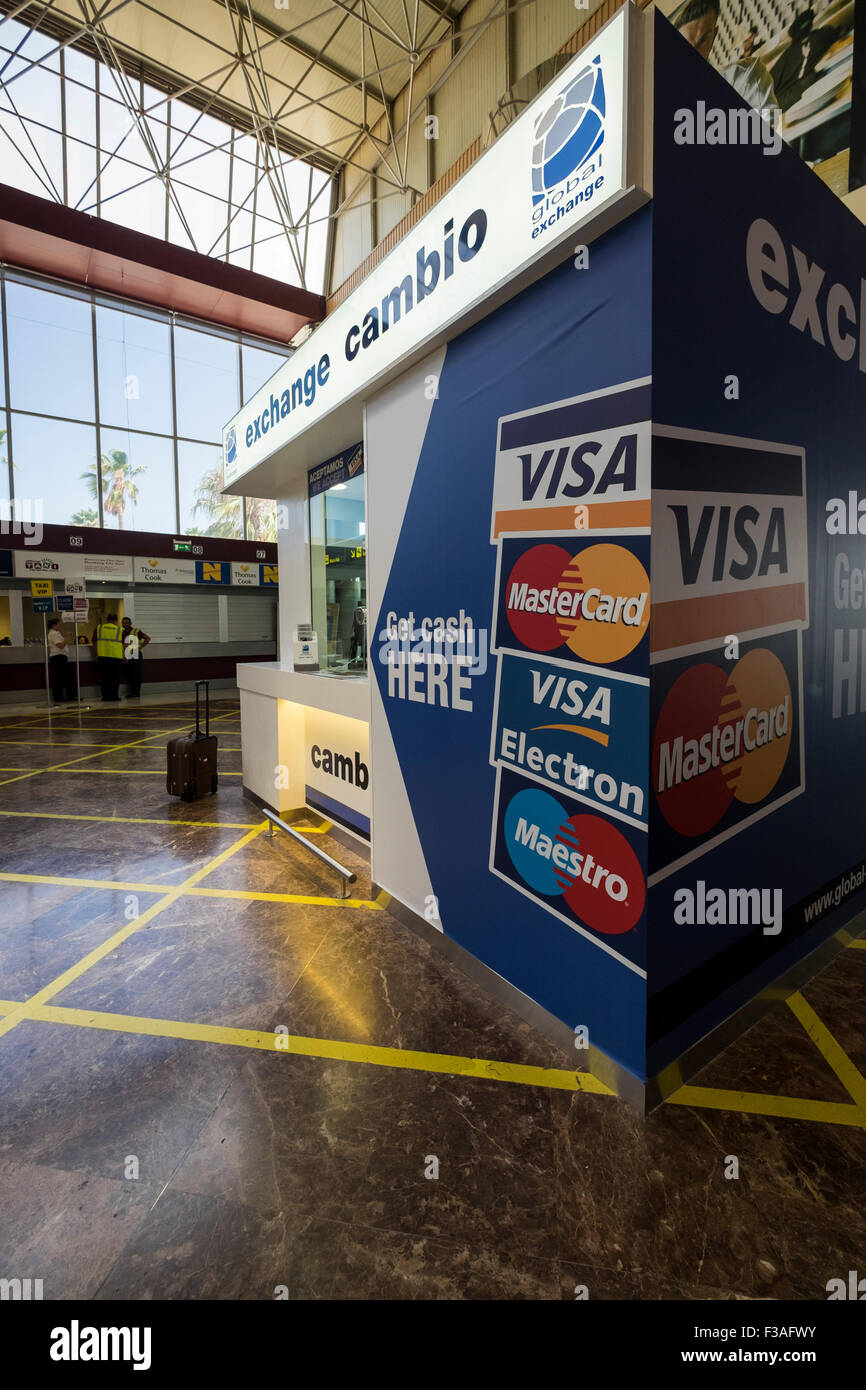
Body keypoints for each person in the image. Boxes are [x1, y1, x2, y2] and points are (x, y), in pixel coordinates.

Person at [92, 612, 124, 701]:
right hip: (116, 657)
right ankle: (114, 696)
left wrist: (97, 652)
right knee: (115, 678)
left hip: (103, 656)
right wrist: (124, 656)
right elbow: (123, 644)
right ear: (116, 620)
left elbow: (94, 642)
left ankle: (105, 697)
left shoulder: (99, 628)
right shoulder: (120, 630)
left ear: (107, 619)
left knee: (104, 678)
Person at [121, 616, 151, 698]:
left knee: (136, 675)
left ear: (130, 623)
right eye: (123, 623)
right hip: (126, 655)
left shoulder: (136, 631)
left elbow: (147, 638)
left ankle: (136, 693)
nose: (125, 624)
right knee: (129, 675)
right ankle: (132, 692)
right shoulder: (121, 632)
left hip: (135, 655)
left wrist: (140, 647)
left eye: (127, 622)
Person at [47, 618, 75, 703]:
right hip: (58, 657)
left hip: (60, 657)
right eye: (58, 624)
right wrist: (67, 637)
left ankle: (69, 696)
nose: (60, 625)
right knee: (60, 678)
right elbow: (61, 645)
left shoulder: (55, 633)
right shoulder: (53, 634)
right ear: (53, 625)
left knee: (64, 677)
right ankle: (59, 697)